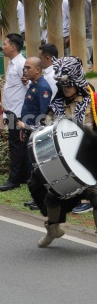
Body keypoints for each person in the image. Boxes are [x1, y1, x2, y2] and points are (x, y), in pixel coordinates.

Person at [36, 57, 96, 247]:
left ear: (77, 82)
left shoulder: (92, 102)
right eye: (63, 85)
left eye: (69, 85)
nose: (66, 89)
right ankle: (52, 230)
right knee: (52, 194)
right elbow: (46, 129)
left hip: (89, 159)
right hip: (63, 162)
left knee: (96, 194)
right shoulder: (57, 104)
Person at [0, 33, 29, 191]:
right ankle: (23, 176)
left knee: (16, 145)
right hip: (10, 110)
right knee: (17, 145)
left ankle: (14, 179)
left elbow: (28, 85)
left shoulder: (21, 64)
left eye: (4, 44)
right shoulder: (12, 63)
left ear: (13, 47)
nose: (2, 47)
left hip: (17, 112)